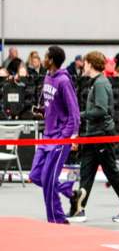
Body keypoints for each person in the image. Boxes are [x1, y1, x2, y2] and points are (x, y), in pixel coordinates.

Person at [69, 51, 119, 223]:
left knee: (111, 172)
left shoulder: (100, 83)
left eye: (85, 63)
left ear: (90, 64)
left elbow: (101, 110)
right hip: (92, 135)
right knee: (86, 172)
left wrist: (80, 115)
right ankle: (80, 209)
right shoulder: (95, 83)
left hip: (102, 135)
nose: (83, 66)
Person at [28, 46, 79, 224]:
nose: (43, 58)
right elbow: (52, 105)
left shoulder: (64, 81)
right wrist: (42, 110)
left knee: (48, 181)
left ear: (51, 60)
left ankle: (57, 220)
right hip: (47, 136)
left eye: (46, 56)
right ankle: (69, 191)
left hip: (59, 138)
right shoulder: (48, 77)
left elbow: (74, 113)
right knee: (35, 175)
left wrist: (67, 136)